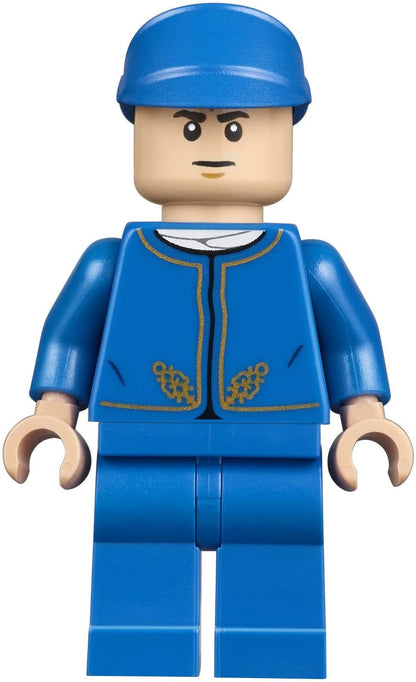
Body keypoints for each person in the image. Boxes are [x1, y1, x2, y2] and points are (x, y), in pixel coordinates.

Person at [3, 4, 412, 678]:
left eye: (237, 125)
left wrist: (366, 419)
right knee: (135, 595)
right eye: (187, 125)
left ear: (284, 130)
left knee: (279, 599)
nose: (212, 143)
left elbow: (350, 343)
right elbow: (69, 337)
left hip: (278, 454)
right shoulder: (113, 261)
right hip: (140, 454)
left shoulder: (310, 263)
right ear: (141, 129)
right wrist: (52, 415)